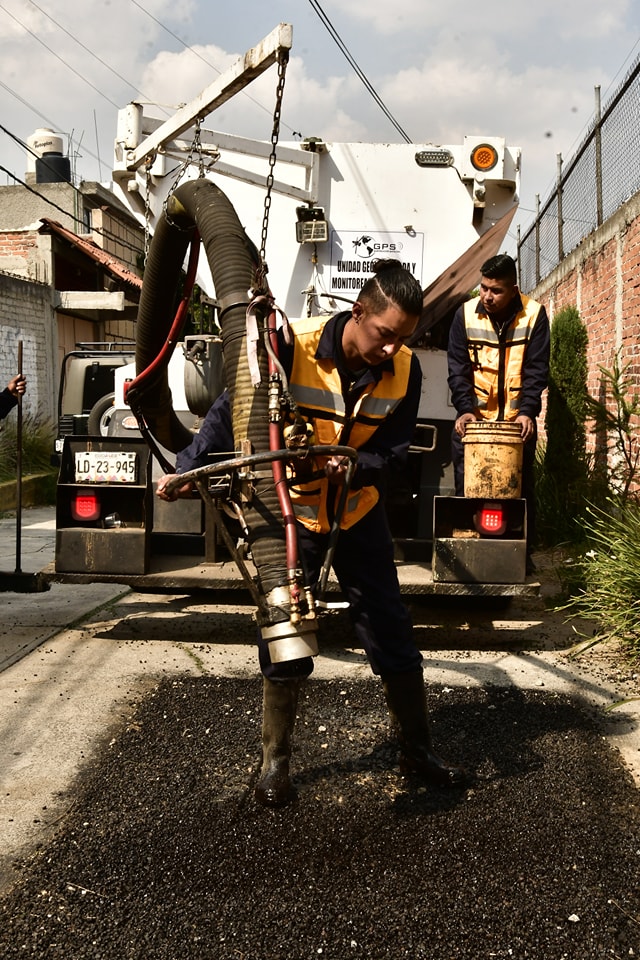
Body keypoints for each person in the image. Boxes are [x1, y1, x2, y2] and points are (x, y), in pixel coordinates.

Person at [158, 259, 469, 807]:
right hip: (292, 515)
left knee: (390, 629)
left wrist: (353, 467)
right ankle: (274, 764)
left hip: (355, 511)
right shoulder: (288, 345)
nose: (393, 349)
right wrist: (188, 465)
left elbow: (395, 456)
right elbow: (234, 407)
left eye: (405, 339)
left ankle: (416, 750)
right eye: (385, 335)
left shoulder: (405, 372)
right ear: (358, 313)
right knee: (286, 628)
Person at [447, 254, 550, 574]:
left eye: (496, 290)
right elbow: (457, 370)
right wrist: (465, 410)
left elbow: (537, 369)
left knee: (521, 487)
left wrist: (527, 413)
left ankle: (521, 555)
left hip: (515, 424)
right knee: (467, 486)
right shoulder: (464, 315)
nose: (487, 296)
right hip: (476, 423)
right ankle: (468, 551)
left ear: (514, 289)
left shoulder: (534, 315)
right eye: (483, 288)